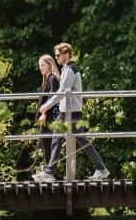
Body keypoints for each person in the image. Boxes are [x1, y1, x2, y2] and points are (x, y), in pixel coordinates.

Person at [32, 42, 111, 181]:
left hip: (70, 113)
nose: (56, 58)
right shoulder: (67, 69)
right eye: (56, 55)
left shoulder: (70, 70)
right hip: (68, 112)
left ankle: (50, 172)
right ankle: (101, 169)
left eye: (58, 55)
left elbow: (62, 92)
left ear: (66, 55)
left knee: (60, 138)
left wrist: (46, 106)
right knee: (74, 139)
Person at [34, 54, 61, 166]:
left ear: (50, 65)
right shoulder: (47, 79)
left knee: (46, 142)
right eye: (40, 65)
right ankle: (50, 168)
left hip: (49, 117)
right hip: (46, 117)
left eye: (43, 65)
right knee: (46, 143)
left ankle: (50, 169)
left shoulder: (52, 79)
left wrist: (44, 113)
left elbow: (52, 98)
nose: (40, 68)